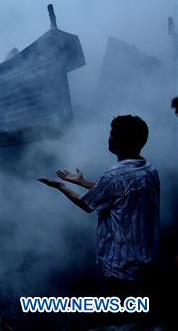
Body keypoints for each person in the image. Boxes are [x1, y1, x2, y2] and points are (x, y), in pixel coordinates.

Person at [38, 115, 159, 297]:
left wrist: (60, 186)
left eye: (111, 134)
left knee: (123, 317)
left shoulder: (114, 175)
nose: (108, 137)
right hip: (145, 260)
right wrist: (84, 182)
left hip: (122, 267)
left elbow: (86, 204)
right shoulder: (148, 169)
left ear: (117, 142)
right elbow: (120, 192)